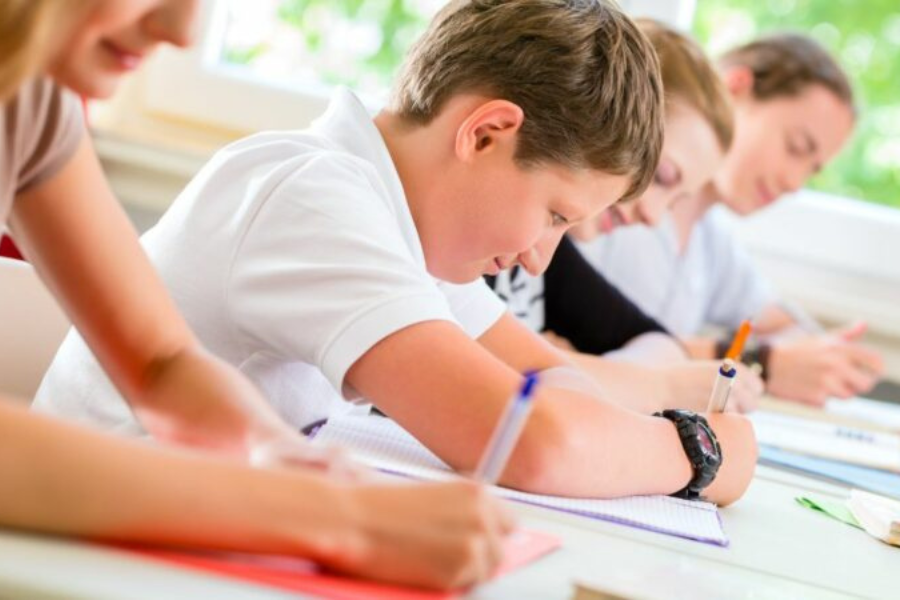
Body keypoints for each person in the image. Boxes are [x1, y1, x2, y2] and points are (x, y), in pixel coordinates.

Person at [37, 0, 758, 505]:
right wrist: (702, 452)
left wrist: (583, 421)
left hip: (198, 514)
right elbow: (526, 439)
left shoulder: (405, 225)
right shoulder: (316, 197)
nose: (542, 259)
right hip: (105, 534)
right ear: (483, 135)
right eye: (553, 215)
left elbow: (549, 380)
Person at [0, 0, 511, 590]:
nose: (183, 32)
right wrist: (335, 519)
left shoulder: (34, 99)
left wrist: (276, 455)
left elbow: (161, 360)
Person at [576, 33, 884, 406]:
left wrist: (820, 355)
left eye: (811, 170)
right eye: (796, 148)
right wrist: (759, 361)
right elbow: (576, 348)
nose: (793, 182)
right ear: (734, 87)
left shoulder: (710, 238)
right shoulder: (612, 208)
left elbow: (782, 325)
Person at [488, 18, 764, 414]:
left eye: (675, 201)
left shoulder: (553, 253)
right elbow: (483, 365)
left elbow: (661, 343)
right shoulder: (471, 243)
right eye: (662, 176)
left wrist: (589, 373)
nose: (653, 217)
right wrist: (642, 384)